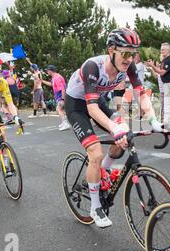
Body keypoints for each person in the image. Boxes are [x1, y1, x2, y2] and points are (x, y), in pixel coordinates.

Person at [65, 28, 162, 228]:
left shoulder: (129, 67)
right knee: (95, 152)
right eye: (125, 53)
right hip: (77, 105)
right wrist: (114, 128)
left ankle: (102, 171)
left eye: (134, 53)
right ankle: (95, 206)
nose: (130, 59)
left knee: (124, 137)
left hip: (96, 102)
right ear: (111, 50)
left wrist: (153, 120)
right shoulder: (93, 66)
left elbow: (141, 95)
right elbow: (90, 109)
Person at [146, 43, 170, 128]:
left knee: (168, 104)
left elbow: (162, 72)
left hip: (169, 84)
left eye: (163, 49)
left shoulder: (169, 60)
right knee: (168, 104)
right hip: (166, 84)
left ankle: (168, 124)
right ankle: (167, 123)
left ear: (168, 50)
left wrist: (152, 66)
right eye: (161, 49)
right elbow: (158, 73)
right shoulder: (165, 60)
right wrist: (153, 67)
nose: (161, 51)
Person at [42, 65, 71, 131]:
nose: (47, 72)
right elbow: (51, 84)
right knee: (61, 110)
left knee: (58, 109)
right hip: (59, 96)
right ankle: (64, 123)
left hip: (61, 96)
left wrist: (63, 99)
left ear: (50, 70)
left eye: (47, 70)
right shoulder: (54, 77)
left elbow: (63, 88)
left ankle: (65, 123)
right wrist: (42, 81)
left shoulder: (57, 77)